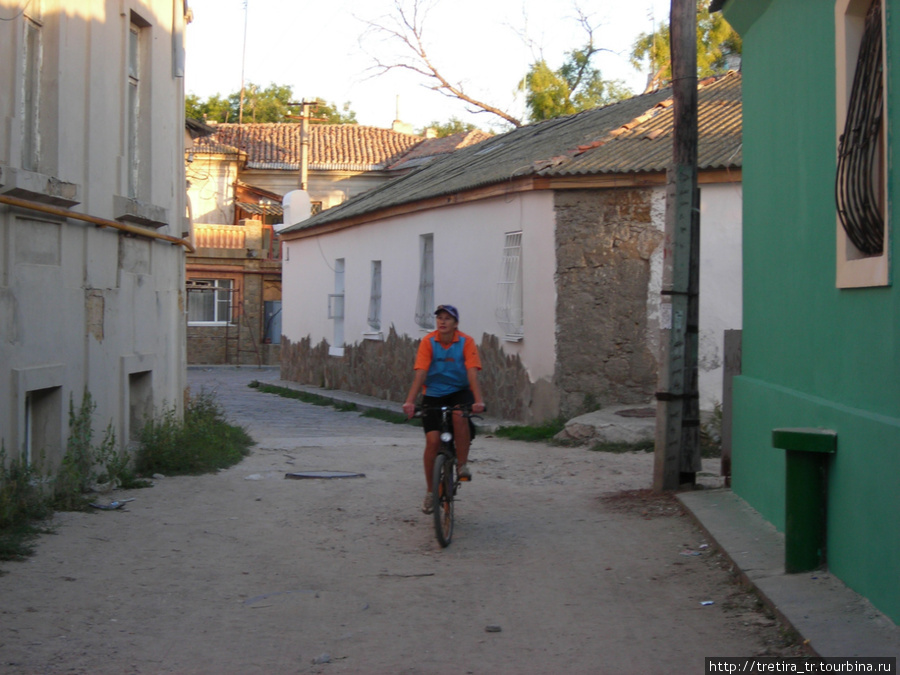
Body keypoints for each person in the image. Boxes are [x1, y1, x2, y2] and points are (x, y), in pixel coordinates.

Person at [402, 304, 486, 514]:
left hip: (459, 391)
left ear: (456, 324)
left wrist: (478, 401)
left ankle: (462, 465)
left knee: (459, 415)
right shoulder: (428, 342)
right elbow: (420, 373)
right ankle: (431, 492)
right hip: (433, 393)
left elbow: (472, 372)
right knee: (432, 441)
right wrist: (410, 401)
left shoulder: (466, 342)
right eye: (439, 318)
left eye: (447, 318)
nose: (442, 321)